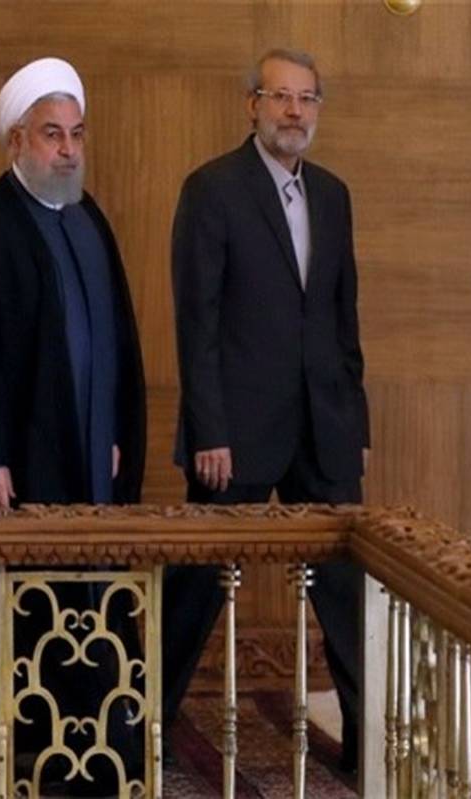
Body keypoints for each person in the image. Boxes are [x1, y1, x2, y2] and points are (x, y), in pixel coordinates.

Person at [0, 57, 147, 790]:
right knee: (16, 601)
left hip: (87, 457)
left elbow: (112, 341)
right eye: (52, 134)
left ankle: (87, 741)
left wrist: (113, 430)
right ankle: (5, 743)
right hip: (15, 463)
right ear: (17, 141)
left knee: (86, 595)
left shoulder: (89, 216)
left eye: (76, 134)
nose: (68, 149)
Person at [168, 48, 370, 772]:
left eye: (306, 99)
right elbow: (197, 322)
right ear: (252, 103)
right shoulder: (213, 189)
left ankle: (367, 746)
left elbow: (343, 319)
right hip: (236, 434)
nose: (294, 111)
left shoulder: (335, 195)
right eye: (281, 96)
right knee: (195, 584)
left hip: (324, 429)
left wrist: (355, 424)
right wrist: (209, 430)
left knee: (345, 592)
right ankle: (139, 727)